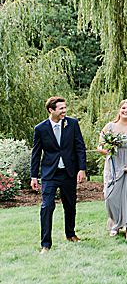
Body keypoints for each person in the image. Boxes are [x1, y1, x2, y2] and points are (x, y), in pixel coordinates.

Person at [30, 96, 86, 253]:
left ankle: (71, 234)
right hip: (50, 174)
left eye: (65, 108)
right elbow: (36, 154)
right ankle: (45, 244)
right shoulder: (40, 129)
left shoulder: (72, 124)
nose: (64, 111)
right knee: (47, 206)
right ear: (51, 110)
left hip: (69, 172)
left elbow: (80, 147)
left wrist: (82, 169)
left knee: (70, 205)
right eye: (61, 108)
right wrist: (34, 176)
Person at [100, 99, 127, 239]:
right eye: (123, 108)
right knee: (110, 197)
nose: (125, 111)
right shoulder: (110, 126)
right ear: (119, 110)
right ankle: (115, 224)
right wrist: (106, 150)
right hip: (113, 166)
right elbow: (100, 145)